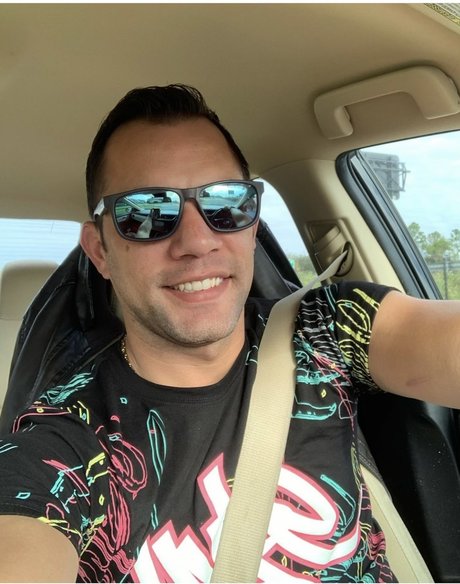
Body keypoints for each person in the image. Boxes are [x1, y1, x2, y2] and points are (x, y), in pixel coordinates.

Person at [0, 84, 459, 583]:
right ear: (100, 252)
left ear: (253, 222)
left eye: (225, 202)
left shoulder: (327, 328)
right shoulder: (64, 437)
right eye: (147, 213)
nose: (197, 242)